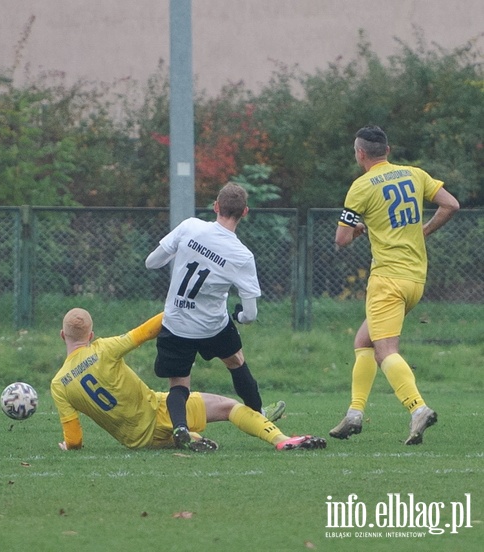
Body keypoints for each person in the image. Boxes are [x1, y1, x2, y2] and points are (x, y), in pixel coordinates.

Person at [329, 125, 459, 445]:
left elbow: (341, 239)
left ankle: (418, 409)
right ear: (388, 151)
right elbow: (451, 204)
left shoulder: (361, 186)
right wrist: (424, 231)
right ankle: (354, 414)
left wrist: (359, 228)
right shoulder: (414, 174)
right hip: (415, 279)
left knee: (385, 350)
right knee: (363, 341)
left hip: (387, 279)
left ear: (360, 154)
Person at [52, 308, 325, 452]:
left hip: (136, 440)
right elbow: (146, 331)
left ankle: (188, 437)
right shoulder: (104, 348)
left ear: (63, 336)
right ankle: (281, 439)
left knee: (173, 435)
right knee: (230, 407)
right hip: (161, 409)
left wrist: (69, 447)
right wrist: (182, 309)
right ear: (91, 334)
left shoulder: (59, 384)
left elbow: (75, 438)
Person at [145, 182, 283, 449]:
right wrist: (241, 317)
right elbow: (250, 313)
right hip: (213, 327)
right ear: (245, 212)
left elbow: (152, 262)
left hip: (176, 322)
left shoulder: (190, 226)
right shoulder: (242, 255)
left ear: (216, 207)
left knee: (179, 384)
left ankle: (181, 427)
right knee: (236, 362)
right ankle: (261, 417)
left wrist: (180, 254)